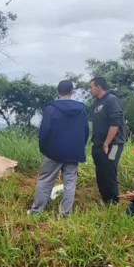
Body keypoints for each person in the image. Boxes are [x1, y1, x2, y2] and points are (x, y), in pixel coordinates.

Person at [28, 80, 89, 217]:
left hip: (53, 152)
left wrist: (44, 149)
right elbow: (85, 131)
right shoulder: (81, 109)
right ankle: (65, 214)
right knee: (70, 182)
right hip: (74, 152)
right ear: (71, 92)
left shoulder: (51, 108)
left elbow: (44, 131)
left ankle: (36, 211)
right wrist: (79, 148)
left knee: (45, 179)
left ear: (57, 92)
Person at [89, 77, 126, 204]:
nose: (90, 90)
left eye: (91, 87)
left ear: (99, 87)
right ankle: (105, 200)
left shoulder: (111, 100)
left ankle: (113, 202)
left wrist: (107, 142)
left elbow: (115, 123)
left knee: (109, 170)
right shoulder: (96, 103)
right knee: (100, 172)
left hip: (113, 144)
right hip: (98, 144)